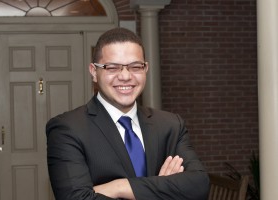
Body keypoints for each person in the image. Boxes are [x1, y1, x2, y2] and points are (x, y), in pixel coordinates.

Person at [46, 27, 209, 200]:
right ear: (94, 72)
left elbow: (199, 185)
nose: (125, 76)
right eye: (112, 67)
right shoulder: (67, 129)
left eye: (135, 66)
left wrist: (119, 187)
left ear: (145, 69)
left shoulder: (171, 125)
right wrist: (162, 191)